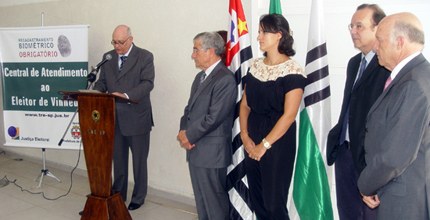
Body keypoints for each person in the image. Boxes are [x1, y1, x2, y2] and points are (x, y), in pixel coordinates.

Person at [357, 12, 430, 219]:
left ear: (399, 42)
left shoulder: (413, 83)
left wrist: (366, 184)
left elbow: (395, 156)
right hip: (397, 190)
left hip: (403, 200)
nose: (375, 47)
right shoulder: (416, 75)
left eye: (379, 40)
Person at [239, 14, 307, 219]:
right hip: (252, 136)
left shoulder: (293, 70)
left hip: (278, 141)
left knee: (273, 204)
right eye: (259, 32)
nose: (259, 36)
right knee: (258, 199)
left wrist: (264, 145)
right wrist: (244, 136)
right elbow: (244, 105)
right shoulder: (256, 66)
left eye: (263, 32)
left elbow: (289, 115)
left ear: (278, 35)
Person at [326, 4, 390, 219]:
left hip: (369, 158)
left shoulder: (387, 66)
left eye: (359, 26)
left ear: (378, 28)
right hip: (344, 153)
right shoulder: (354, 63)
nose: (353, 31)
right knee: (347, 213)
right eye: (351, 26)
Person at [93, 24, 155, 211]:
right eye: (114, 42)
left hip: (137, 117)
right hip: (113, 118)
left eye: (120, 42)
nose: (117, 46)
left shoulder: (145, 56)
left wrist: (126, 95)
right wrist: (95, 93)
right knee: (118, 160)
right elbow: (102, 82)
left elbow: (147, 83)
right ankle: (119, 194)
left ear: (131, 39)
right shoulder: (108, 57)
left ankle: (138, 196)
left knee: (139, 161)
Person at [177, 32, 237, 220]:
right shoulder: (200, 78)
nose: (193, 54)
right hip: (196, 149)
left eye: (196, 49)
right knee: (202, 202)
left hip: (212, 152)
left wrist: (189, 136)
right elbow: (189, 109)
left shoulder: (225, 79)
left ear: (211, 51)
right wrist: (183, 131)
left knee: (214, 203)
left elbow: (214, 117)